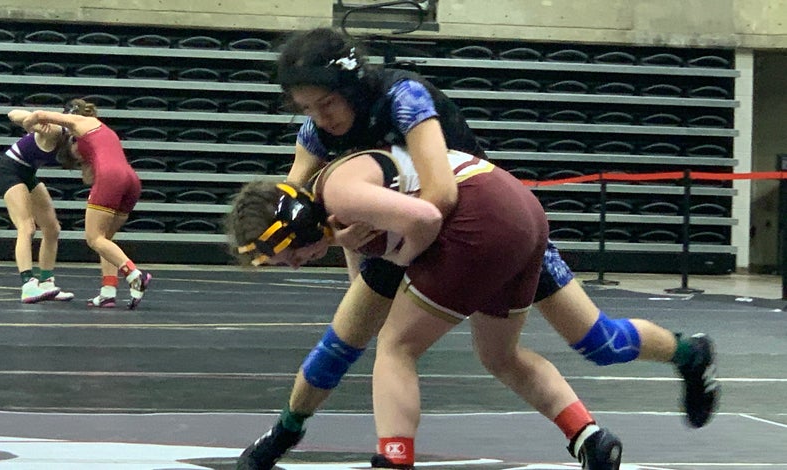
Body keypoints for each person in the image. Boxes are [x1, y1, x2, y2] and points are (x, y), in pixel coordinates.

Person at [235, 27, 718, 469]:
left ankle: (686, 354)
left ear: (353, 85)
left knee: (598, 342)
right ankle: (283, 434)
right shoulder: (315, 134)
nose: (322, 119)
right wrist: (330, 239)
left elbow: (440, 197)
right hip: (426, 225)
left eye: (326, 105)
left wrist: (376, 248)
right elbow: (291, 204)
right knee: (348, 342)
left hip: (467, 217)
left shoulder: (403, 98)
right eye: (307, 110)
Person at [227, 145, 623, 469]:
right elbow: (358, 303)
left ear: (296, 224)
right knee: (499, 355)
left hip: (479, 212)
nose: (295, 265)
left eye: (289, 255)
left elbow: (427, 217)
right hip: (519, 211)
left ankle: (394, 460)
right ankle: (589, 437)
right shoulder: (341, 215)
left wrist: (400, 261)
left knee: (396, 348)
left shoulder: (340, 194)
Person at [21, 99, 152, 309]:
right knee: (106, 239)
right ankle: (108, 292)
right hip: (131, 179)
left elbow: (38, 115)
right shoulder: (101, 131)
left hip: (110, 177)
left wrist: (29, 129)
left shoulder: (77, 122)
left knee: (94, 238)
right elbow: (88, 176)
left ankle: (134, 274)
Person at [1, 106, 81, 303]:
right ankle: (28, 285)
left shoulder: (80, 138)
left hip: (28, 174)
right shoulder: (55, 129)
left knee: (52, 228)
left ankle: (46, 283)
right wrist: (31, 123)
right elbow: (12, 114)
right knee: (26, 227)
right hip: (10, 170)